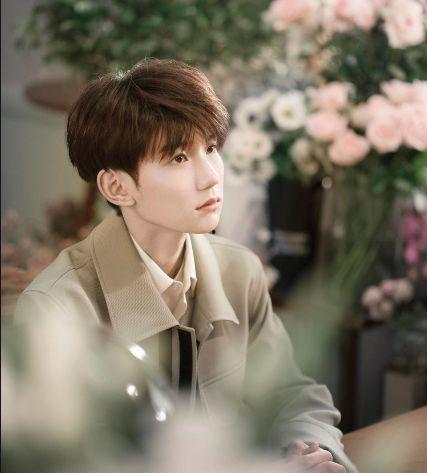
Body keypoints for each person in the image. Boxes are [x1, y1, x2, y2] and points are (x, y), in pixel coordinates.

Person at [15, 59, 357, 472]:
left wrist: (309, 453)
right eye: (178, 157)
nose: (210, 176)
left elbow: (294, 396)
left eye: (210, 149)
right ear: (117, 187)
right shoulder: (57, 310)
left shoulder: (240, 272)